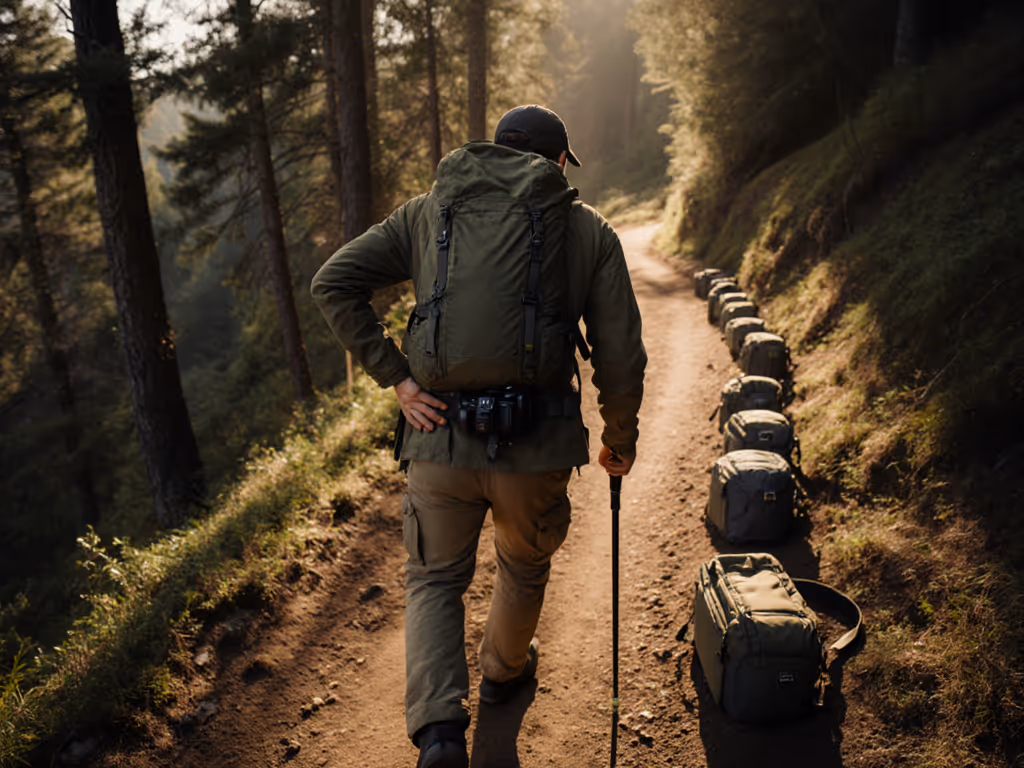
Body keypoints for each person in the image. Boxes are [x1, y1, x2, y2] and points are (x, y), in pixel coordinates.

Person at [311, 104, 646, 768]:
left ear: (493, 152)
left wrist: (401, 382)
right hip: (538, 442)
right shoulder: (586, 230)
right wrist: (620, 437)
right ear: (556, 163)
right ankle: (502, 673)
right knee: (524, 563)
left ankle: (438, 732)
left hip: (438, 438)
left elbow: (333, 283)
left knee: (434, 579)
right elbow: (620, 355)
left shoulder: (423, 214)